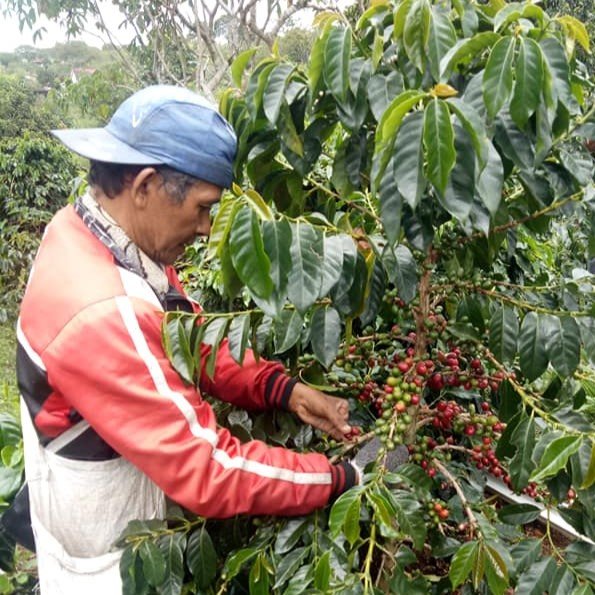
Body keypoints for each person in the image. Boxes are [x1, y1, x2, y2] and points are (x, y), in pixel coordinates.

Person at [16, 85, 359, 594]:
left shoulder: (91, 233)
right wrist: (337, 479)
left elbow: (188, 337)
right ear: (146, 185)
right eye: (203, 207)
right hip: (107, 561)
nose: (205, 228)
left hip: (101, 507)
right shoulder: (103, 309)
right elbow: (209, 469)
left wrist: (283, 389)